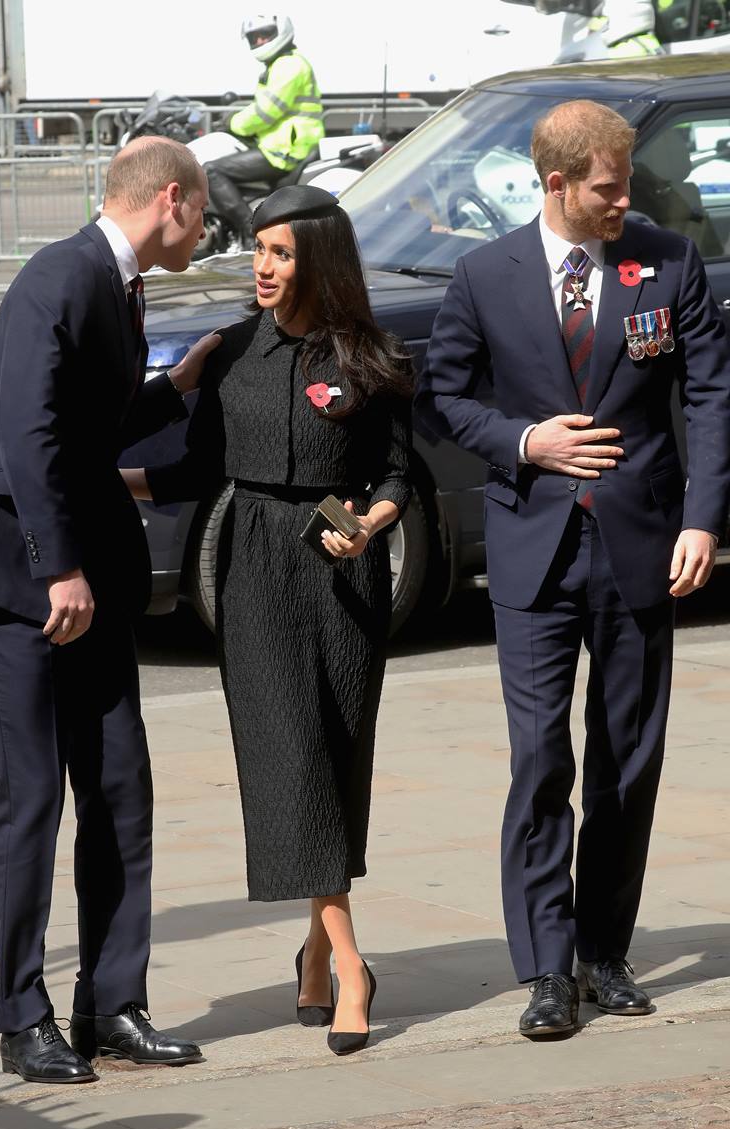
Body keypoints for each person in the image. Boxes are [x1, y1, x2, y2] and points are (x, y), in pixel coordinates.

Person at [416, 100, 730, 1039]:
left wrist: (704, 521)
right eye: (606, 185)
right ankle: (548, 968)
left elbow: (712, 395)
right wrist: (526, 440)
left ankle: (604, 950)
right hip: (533, 551)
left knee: (627, 765)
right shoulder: (484, 275)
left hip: (643, 545)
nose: (623, 198)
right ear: (555, 184)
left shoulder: (668, 262)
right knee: (540, 759)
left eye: (626, 182)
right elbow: (445, 397)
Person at [0, 136, 218, 1084]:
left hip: (79, 578)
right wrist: (61, 571)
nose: (210, 229)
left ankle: (111, 1004)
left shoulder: (118, 281)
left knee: (121, 787)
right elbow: (27, 437)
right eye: (204, 211)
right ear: (168, 199)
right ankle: (23, 1019)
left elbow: (87, 419)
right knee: (32, 797)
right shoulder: (59, 277)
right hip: (20, 583)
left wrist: (169, 391)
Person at [121, 185, 413, 1056]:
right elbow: (194, 469)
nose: (263, 267)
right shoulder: (233, 350)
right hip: (253, 569)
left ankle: (314, 954)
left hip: (340, 563)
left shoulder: (372, 355)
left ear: (317, 261)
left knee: (338, 757)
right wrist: (106, 482)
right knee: (292, 761)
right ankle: (356, 966)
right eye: (258, 250)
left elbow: (398, 477)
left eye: (281, 254)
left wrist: (369, 528)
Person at [205, 14, 324, 248]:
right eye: (253, 37)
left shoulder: (289, 65)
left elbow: (265, 112)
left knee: (211, 171)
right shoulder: (281, 63)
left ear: (281, 32)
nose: (259, 41)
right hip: (282, 144)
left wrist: (232, 123)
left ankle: (251, 232)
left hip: (286, 150)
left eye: (265, 35)